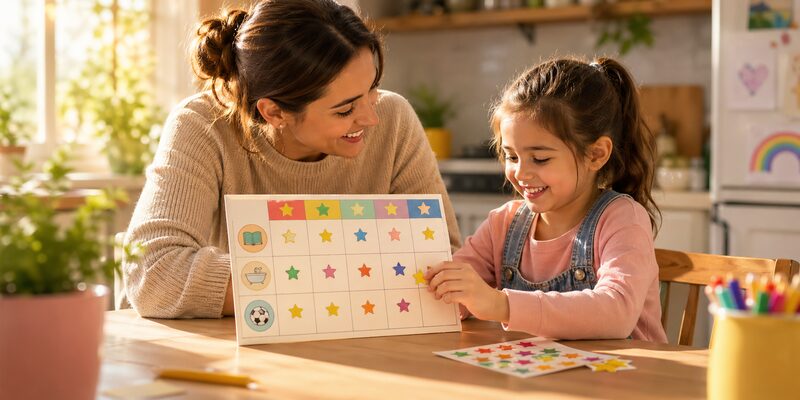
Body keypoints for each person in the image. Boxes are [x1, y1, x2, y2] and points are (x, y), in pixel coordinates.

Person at [123, 0, 461, 319]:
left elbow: (442, 260)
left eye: (372, 89)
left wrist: (293, 281)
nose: (371, 118)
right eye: (345, 109)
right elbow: (154, 271)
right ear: (274, 112)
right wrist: (334, 279)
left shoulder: (393, 118)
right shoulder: (202, 124)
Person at [425, 57, 668, 342]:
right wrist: (452, 294)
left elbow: (616, 312)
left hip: (627, 381)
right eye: (512, 156)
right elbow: (453, 292)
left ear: (596, 155)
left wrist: (500, 304)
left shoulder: (623, 219)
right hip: (542, 379)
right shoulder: (503, 224)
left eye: (540, 159)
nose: (521, 172)